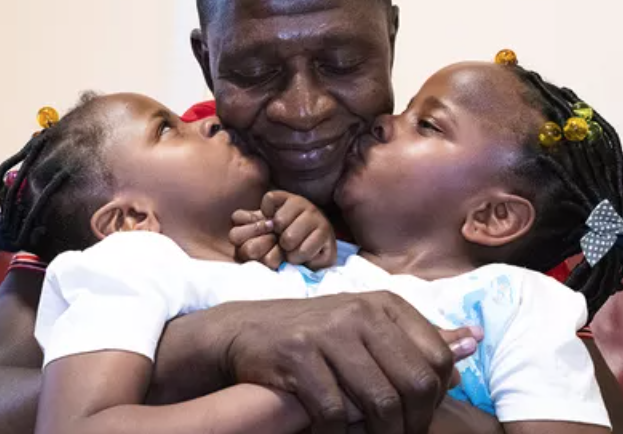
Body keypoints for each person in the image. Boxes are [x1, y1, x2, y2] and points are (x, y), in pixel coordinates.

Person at [0, 0, 618, 434]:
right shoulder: (150, 182)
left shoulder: (463, 190)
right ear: (206, 59)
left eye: (343, 62)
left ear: (391, 38)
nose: (303, 109)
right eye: (253, 71)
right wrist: (217, 339)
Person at [8, 55, 619, 434]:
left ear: (491, 216)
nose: (304, 103)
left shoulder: (523, 304)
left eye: (424, 123)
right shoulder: (175, 265)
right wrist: (309, 392)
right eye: (170, 128)